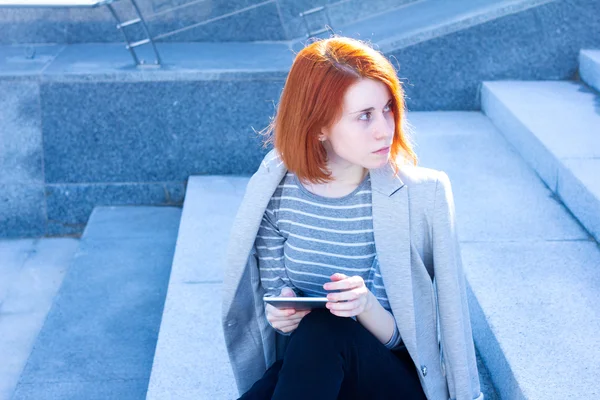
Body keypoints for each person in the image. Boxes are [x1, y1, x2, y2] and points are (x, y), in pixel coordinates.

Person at [221, 35, 483, 400]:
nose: (384, 128)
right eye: (364, 116)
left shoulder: (423, 193)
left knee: (327, 329)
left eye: (387, 108)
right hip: (315, 370)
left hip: (388, 378)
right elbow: (276, 300)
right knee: (294, 358)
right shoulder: (276, 191)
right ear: (318, 126)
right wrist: (280, 318)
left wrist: (365, 307)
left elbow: (443, 324)